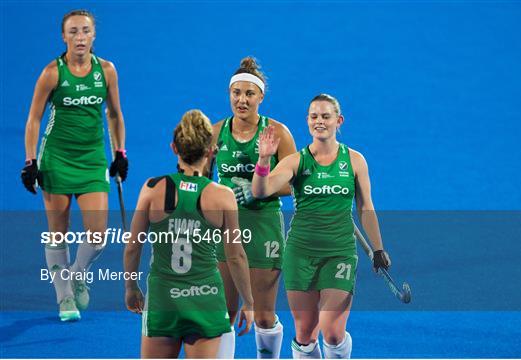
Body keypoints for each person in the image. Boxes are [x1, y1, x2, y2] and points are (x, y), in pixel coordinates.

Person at [252, 94, 391, 359]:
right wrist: (264, 160)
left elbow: (365, 208)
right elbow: (262, 190)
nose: (319, 121)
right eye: (314, 116)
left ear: (338, 121)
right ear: (307, 121)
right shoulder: (296, 161)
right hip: (300, 254)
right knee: (305, 334)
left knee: (333, 332)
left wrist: (378, 248)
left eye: (326, 116)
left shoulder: (354, 161)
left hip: (339, 253)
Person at [21, 9, 128, 321]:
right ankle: (64, 298)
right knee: (59, 232)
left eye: (85, 31)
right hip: (56, 159)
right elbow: (34, 119)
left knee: (98, 234)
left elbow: (114, 113)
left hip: (92, 159)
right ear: (63, 36)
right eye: (73, 32)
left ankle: (76, 273)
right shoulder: (52, 73)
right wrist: (30, 161)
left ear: (94, 35)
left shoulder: (106, 71)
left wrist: (120, 152)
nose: (80, 37)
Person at [123, 109, 254, 358]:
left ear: (174, 147)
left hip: (163, 299)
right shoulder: (223, 196)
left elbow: (132, 246)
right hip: (206, 299)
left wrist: (131, 288)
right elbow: (235, 255)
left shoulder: (151, 189)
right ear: (210, 151)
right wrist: (249, 302)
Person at [212, 57, 296, 358]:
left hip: (264, 226)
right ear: (228, 94)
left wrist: (259, 190)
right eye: (236, 93)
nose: (242, 100)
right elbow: (200, 177)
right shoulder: (216, 132)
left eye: (249, 94)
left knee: (262, 313)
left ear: (261, 97)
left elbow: (295, 183)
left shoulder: (277, 132)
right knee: (225, 312)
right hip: (226, 227)